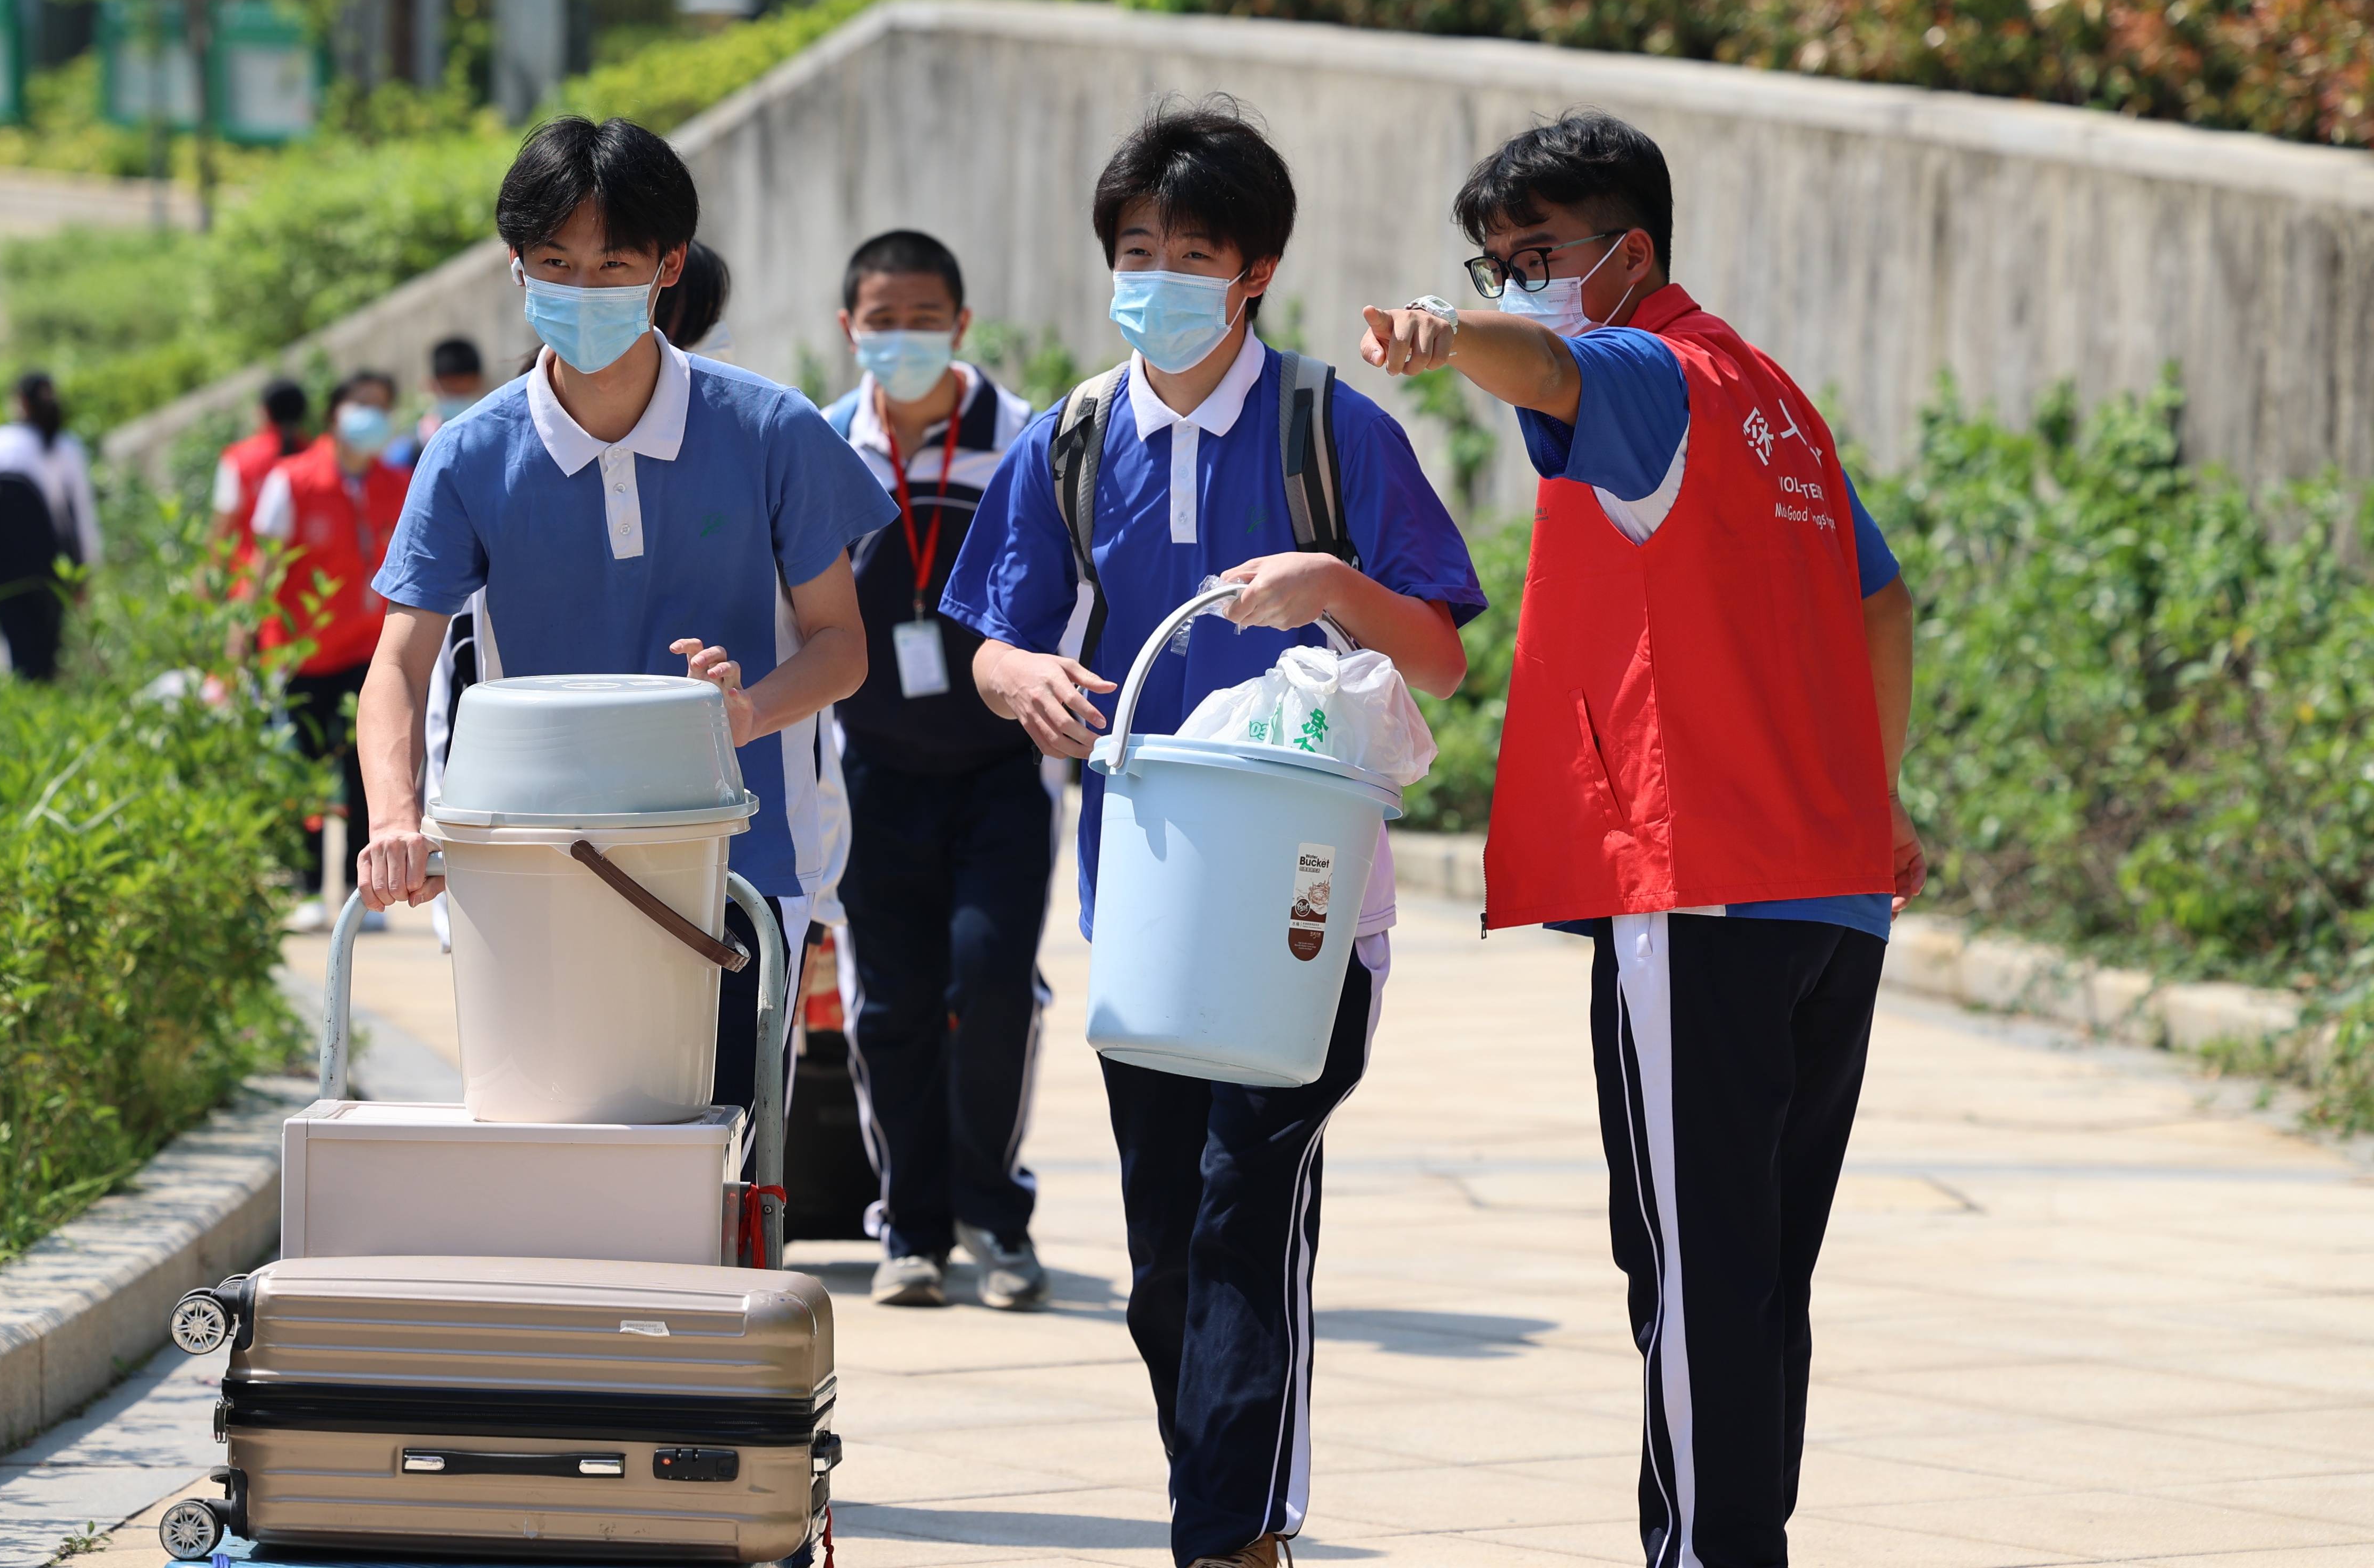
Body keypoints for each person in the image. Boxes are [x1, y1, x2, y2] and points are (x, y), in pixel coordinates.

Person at [1359, 110, 1924, 1568]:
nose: (1518, 282)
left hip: (1710, 889)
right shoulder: (1770, 397)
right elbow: (1884, 603)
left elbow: (1547, 365)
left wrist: (1445, 335)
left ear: (1632, 253)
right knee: (1755, 1268)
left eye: (1537, 256)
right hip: (1828, 894)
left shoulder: (1651, 374)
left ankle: (1708, 1554)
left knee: (1692, 1271)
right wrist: (1877, 798)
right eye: (1491, 262)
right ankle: (1743, 1540)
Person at [940, 100, 1483, 1568]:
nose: (1159, 274)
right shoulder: (1069, 438)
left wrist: (1330, 582)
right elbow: (984, 640)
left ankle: (1225, 1539)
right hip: (1150, 908)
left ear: (1260, 269)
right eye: (1135, 248)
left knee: (1249, 1211)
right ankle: (1236, 1517)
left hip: (1310, 910)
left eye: (1193, 250)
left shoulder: (1332, 429)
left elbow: (1438, 656)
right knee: (1162, 1269)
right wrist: (1024, 677)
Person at [351, 118, 897, 1113]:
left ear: (668, 265)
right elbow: (398, 663)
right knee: (561, 1164)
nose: (583, 288)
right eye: (555, 262)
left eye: (613, 264)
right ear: (514, 266)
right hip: (535, 869)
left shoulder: (772, 430)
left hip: (744, 864)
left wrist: (747, 712)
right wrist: (394, 818)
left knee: (725, 1168)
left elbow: (841, 645)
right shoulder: (469, 454)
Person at [816, 229, 1053, 1312]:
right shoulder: (821, 447)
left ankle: (996, 1217)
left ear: (962, 325)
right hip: (870, 770)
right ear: (848, 330)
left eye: (923, 319)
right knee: (892, 1005)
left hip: (1003, 772)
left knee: (994, 983)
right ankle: (909, 1228)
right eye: (881, 319)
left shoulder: (1025, 440)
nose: (900, 337)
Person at [254, 371, 413, 929]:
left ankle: (355, 889)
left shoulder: (399, 483)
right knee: (300, 775)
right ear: (335, 414)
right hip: (300, 655)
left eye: (383, 406)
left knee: (363, 773)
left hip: (369, 656)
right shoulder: (293, 481)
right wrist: (241, 645)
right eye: (362, 405)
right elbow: (262, 569)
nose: (373, 416)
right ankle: (303, 890)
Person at [0, 371, 100, 682]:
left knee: (11, 651)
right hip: (53, 567)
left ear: (20, 403)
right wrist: (85, 574)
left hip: (4, 566)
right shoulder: (68, 448)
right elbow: (82, 519)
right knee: (47, 655)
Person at [212, 377, 312, 567]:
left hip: (251, 578)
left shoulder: (239, 459)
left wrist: (209, 574)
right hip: (310, 579)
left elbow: (223, 527)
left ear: (264, 411)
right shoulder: (315, 456)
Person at [386, 340, 487, 469]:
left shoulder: (495, 438)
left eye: (466, 390)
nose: (459, 397)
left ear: (481, 384)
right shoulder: (413, 447)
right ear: (431, 386)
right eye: (451, 389)